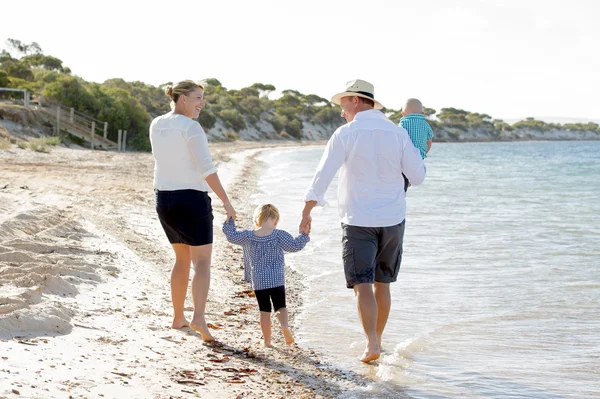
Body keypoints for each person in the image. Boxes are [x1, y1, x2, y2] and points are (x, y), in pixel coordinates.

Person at [300, 79, 426, 363]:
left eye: (343, 104)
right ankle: (378, 341)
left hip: (358, 220)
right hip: (393, 219)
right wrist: (422, 155)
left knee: (362, 284)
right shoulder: (397, 134)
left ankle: (371, 344)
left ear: (356, 101)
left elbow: (323, 175)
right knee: (383, 283)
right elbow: (417, 177)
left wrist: (307, 210)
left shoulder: (347, 133)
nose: (341, 111)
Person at [150, 80, 236, 342]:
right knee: (201, 262)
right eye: (197, 97)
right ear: (182, 98)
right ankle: (198, 316)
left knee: (181, 259)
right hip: (191, 199)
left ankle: (178, 317)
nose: (202, 103)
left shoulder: (157, 123)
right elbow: (206, 169)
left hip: (164, 199)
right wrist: (226, 201)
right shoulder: (191, 127)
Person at [222, 204, 309, 347]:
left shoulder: (248, 236)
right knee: (281, 306)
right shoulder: (279, 235)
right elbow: (294, 246)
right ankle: (285, 327)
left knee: (264, 311)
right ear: (276, 220)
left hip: (259, 280)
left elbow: (231, 236)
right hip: (277, 279)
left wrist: (230, 219)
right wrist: (304, 235)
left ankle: (268, 342)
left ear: (258, 220)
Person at [399, 98, 434, 191]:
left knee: (402, 175)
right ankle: (410, 180)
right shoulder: (425, 124)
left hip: (404, 156)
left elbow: (398, 139)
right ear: (422, 113)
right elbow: (429, 141)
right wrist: (424, 153)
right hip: (419, 156)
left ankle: (406, 183)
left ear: (403, 114)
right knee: (417, 170)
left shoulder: (403, 123)